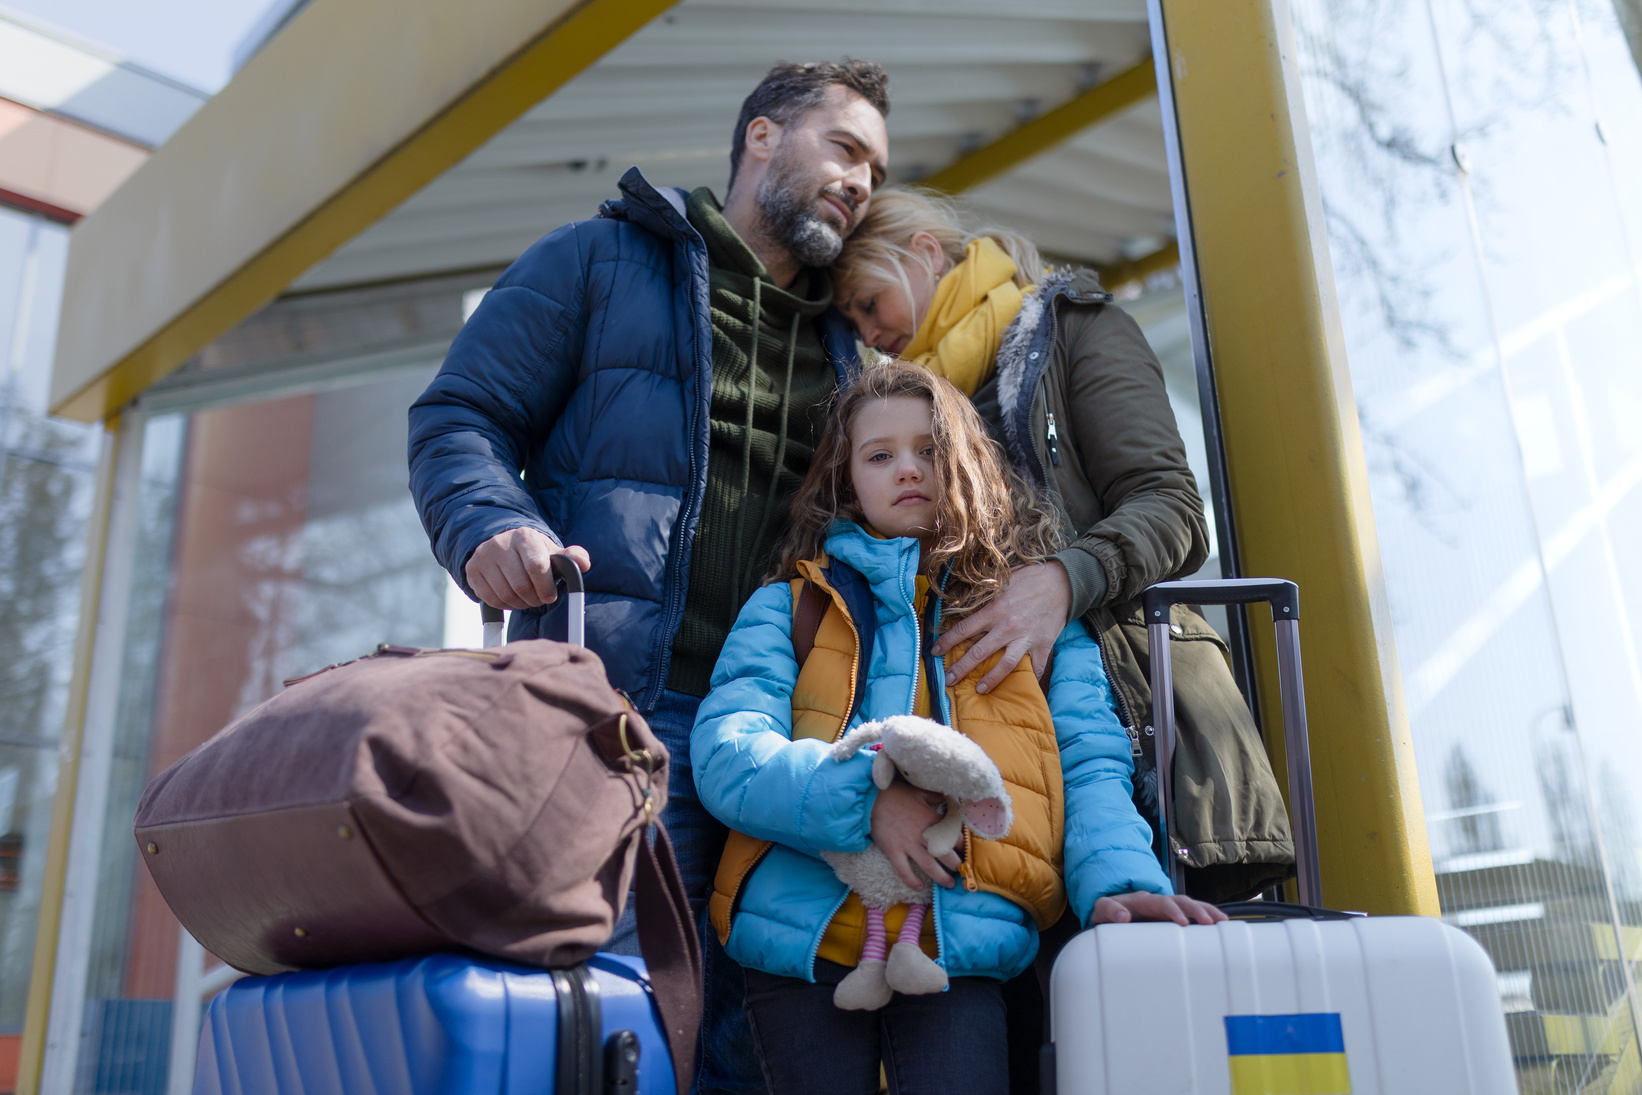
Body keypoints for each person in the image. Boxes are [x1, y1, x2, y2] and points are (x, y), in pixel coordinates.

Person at [408, 60, 892, 1094]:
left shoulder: (855, 350)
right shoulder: (598, 261)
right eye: (844, 150)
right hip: (625, 712)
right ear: (761, 138)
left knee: (759, 1043)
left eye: (876, 172)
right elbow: (459, 417)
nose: (861, 184)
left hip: (797, 740)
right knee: (630, 1022)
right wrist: (493, 527)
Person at [831, 188, 1296, 1091]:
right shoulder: (905, 415)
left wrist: (1059, 584)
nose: (866, 330)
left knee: (1139, 1042)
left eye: (867, 301)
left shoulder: (1073, 330)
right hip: (993, 777)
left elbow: (1172, 509)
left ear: (924, 252)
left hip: (1126, 735)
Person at [691, 362, 1224, 1094]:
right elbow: (726, 752)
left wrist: (1121, 881)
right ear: (848, 484)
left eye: (930, 448)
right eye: (879, 455)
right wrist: (867, 804)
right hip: (798, 949)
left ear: (968, 461)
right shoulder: (790, 607)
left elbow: (1090, 768)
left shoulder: (1036, 627)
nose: (907, 468)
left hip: (963, 948)